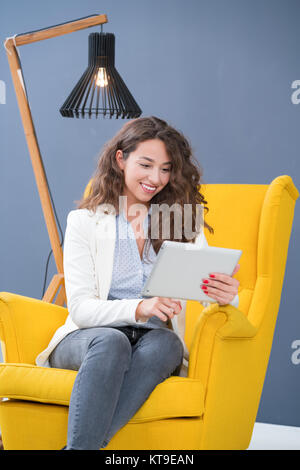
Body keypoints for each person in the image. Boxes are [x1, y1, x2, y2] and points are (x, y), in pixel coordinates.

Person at [35, 116, 240, 450]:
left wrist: (225, 295)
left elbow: (205, 295)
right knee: (112, 342)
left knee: (169, 344)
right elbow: (83, 309)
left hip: (151, 342)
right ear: (121, 159)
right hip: (89, 339)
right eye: (146, 164)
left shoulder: (181, 221)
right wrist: (141, 307)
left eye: (165, 168)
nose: (155, 178)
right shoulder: (85, 222)